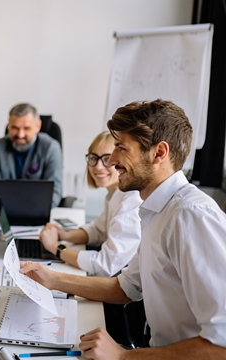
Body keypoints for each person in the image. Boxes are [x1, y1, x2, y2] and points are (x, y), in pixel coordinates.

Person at [20, 99, 226, 359]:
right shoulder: (155, 209)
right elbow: (127, 287)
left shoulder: (190, 216)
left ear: (159, 153)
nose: (112, 161)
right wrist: (53, 280)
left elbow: (221, 345)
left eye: (121, 148)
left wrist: (122, 356)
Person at [39, 131, 142, 277]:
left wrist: (56, 248)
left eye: (107, 159)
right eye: (94, 158)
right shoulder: (115, 193)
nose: (98, 167)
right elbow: (99, 230)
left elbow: (104, 264)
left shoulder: (131, 203)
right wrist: (65, 235)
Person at [0, 103, 63, 207]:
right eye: (15, 128)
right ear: (8, 125)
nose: (20, 134)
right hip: (2, 214)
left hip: (37, 213)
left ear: (38, 126)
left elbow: (54, 193)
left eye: (26, 128)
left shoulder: (51, 148)